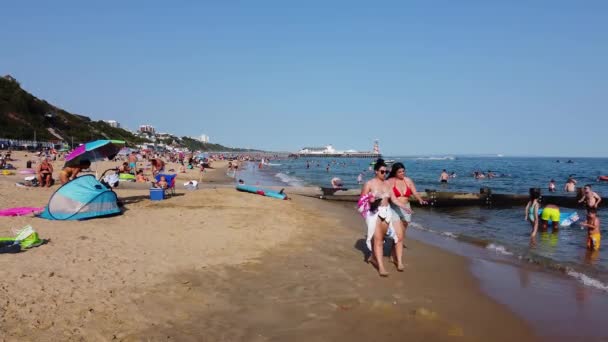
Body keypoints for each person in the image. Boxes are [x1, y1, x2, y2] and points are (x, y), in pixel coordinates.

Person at [359, 159, 406, 276]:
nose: (384, 174)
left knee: (381, 239)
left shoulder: (388, 184)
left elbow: (394, 199)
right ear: (376, 171)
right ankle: (381, 267)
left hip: (387, 212)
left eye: (386, 172)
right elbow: (361, 201)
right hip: (374, 213)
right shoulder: (369, 184)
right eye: (382, 171)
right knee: (378, 240)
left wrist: (404, 207)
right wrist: (370, 200)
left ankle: (372, 257)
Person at [387, 163, 427, 244]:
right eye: (399, 172)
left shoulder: (408, 180)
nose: (402, 173)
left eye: (403, 171)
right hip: (394, 208)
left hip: (406, 208)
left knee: (403, 231)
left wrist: (420, 199)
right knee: (398, 233)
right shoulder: (390, 181)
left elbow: (415, 192)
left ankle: (397, 244)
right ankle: (395, 248)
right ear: (395, 172)